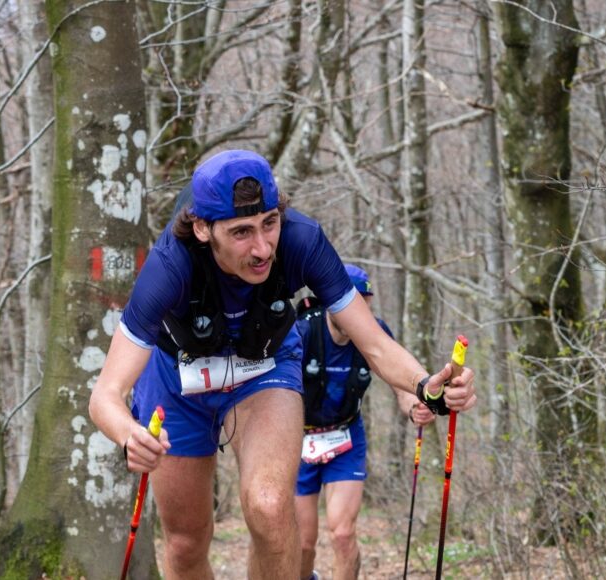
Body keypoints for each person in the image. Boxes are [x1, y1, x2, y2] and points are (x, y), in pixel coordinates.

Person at [88, 149, 477, 580]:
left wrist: (427, 385)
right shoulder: (169, 266)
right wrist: (128, 435)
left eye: (269, 224)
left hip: (264, 366)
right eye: (241, 232)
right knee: (185, 542)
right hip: (177, 377)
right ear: (202, 229)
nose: (261, 248)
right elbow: (105, 395)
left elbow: (375, 344)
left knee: (271, 507)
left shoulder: (302, 241)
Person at [294, 264, 435, 580]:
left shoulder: (375, 333)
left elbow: (400, 382)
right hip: (298, 440)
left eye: (365, 305)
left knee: (343, 534)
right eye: (352, 303)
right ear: (332, 302)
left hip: (345, 436)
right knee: (302, 543)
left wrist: (415, 407)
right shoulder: (304, 332)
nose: (360, 314)